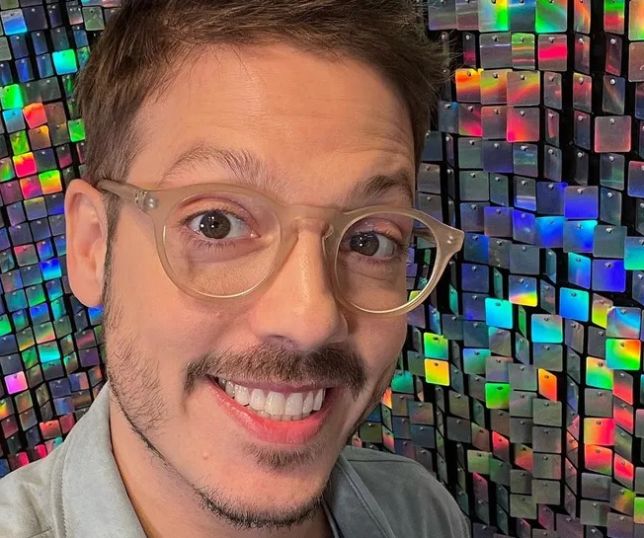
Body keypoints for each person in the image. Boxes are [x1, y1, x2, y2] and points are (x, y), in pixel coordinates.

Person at [0, 1, 468, 536]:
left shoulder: (420, 513)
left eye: (369, 240)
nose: (311, 320)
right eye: (216, 224)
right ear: (93, 247)